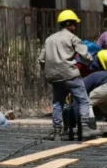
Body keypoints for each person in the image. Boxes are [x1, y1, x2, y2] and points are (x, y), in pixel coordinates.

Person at [38, 9, 97, 141]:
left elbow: (41, 59)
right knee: (83, 100)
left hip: (54, 77)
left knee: (58, 103)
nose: (75, 27)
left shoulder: (49, 39)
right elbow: (85, 54)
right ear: (70, 24)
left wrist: (49, 72)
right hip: (71, 74)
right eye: (75, 24)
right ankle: (85, 128)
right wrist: (90, 61)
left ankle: (57, 131)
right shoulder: (72, 37)